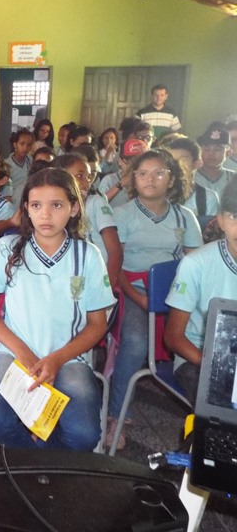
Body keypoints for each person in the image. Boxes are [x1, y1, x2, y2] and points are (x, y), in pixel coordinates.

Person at [0, 168, 115, 451]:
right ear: (26, 209)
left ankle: (42, 462)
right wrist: (23, 352)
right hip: (14, 353)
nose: (46, 215)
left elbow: (97, 325)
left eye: (57, 205)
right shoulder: (6, 249)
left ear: (74, 208)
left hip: (69, 356)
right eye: (37, 205)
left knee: (85, 435)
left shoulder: (87, 255)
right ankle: (42, 459)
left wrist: (56, 359)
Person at [107, 149, 202, 449]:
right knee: (135, 342)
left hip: (176, 292)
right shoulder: (122, 214)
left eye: (159, 172)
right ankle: (114, 415)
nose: (150, 179)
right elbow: (117, 266)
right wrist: (141, 298)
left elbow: (194, 264)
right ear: (134, 178)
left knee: (205, 336)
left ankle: (211, 417)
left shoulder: (184, 216)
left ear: (171, 179)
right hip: (133, 289)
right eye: (143, 173)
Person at [165, 177, 237, 405]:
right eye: (235, 217)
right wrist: (218, 368)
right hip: (199, 358)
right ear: (221, 219)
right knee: (221, 409)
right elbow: (173, 337)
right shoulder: (197, 264)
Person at [55, 153, 122, 287]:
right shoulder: (53, 207)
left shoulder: (96, 202)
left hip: (96, 279)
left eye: (89, 177)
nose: (86, 183)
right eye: (80, 176)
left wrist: (107, 285)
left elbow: (115, 250)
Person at [195, 123, 235, 203]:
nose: (211, 154)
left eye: (217, 149)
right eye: (206, 149)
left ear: (228, 152)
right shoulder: (191, 177)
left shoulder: (234, 179)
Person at [4, 128, 34, 203]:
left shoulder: (30, 160)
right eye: (22, 144)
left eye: (29, 145)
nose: (25, 148)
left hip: (27, 198)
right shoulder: (6, 164)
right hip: (12, 200)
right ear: (15, 145)